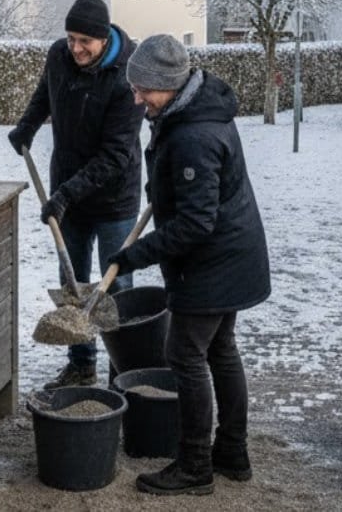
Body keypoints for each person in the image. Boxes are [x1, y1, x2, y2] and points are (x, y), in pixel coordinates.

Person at [106, 34, 271, 496]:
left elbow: (197, 224)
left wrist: (135, 254)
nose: (136, 98)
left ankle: (196, 464)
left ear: (170, 85)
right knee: (220, 350)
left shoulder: (195, 134)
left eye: (144, 90)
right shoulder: (191, 111)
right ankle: (232, 454)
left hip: (214, 262)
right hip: (233, 254)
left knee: (184, 355)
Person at [7, 0, 144, 390]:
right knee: (72, 282)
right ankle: (82, 365)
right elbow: (45, 94)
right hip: (67, 191)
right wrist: (27, 126)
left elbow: (115, 155)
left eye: (85, 41)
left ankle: (124, 370)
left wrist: (66, 195)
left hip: (114, 197)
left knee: (115, 285)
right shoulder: (59, 56)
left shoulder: (126, 76)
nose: (76, 48)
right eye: (71, 39)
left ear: (104, 39)